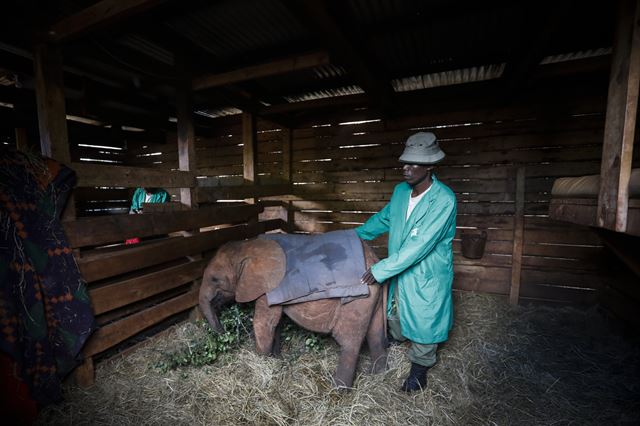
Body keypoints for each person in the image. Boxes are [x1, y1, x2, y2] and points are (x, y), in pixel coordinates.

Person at [356, 132, 457, 392]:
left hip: (426, 271)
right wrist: (354, 236)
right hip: (400, 266)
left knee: (425, 315)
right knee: (396, 306)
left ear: (430, 166)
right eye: (405, 162)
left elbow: (420, 245)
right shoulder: (401, 192)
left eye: (413, 163)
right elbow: (384, 219)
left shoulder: (443, 200)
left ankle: (419, 370)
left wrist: (380, 269)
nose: (406, 168)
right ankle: (397, 339)